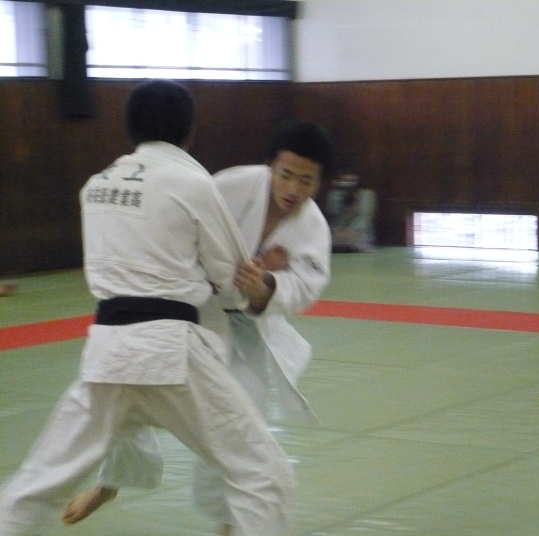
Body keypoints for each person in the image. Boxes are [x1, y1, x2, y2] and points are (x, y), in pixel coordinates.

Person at [0, 80, 296, 536]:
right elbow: (230, 279)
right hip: (171, 352)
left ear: (130, 129)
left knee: (35, 486)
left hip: (106, 354)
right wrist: (251, 279)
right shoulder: (193, 183)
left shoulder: (95, 187)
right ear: (189, 131)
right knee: (263, 474)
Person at [59, 120, 335, 536]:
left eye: (307, 180)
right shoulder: (229, 186)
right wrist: (235, 271)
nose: (293, 188)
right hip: (190, 309)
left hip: (247, 329)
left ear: (320, 182)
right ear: (270, 167)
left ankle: (229, 524)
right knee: (124, 390)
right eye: (286, 174)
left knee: (241, 426)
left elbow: (304, 288)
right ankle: (110, 482)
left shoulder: (313, 229)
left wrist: (265, 285)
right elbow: (178, 228)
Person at [324, 172, 376, 252]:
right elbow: (333, 216)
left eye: (351, 181)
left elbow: (366, 218)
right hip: (338, 232)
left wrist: (352, 233)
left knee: (357, 241)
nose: (348, 184)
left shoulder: (366, 195)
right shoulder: (334, 195)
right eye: (345, 181)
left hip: (359, 232)